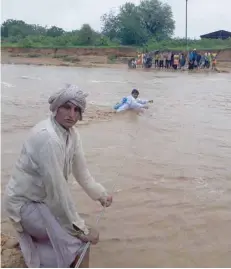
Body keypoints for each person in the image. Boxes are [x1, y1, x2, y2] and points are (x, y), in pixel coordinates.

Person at [3, 84, 113, 268]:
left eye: (77, 109)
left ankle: (36, 250)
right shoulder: (48, 138)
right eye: (67, 107)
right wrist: (81, 229)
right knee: (79, 244)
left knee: (71, 236)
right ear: (56, 108)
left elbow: (82, 173)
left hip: (43, 201)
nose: (72, 114)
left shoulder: (72, 134)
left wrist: (101, 195)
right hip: (24, 204)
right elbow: (58, 191)